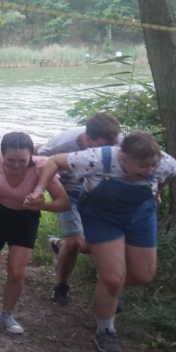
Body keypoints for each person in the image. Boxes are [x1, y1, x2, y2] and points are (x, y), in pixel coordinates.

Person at [27, 132, 176, 352]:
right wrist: (39, 190)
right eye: (142, 166)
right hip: (101, 216)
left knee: (142, 276)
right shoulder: (96, 158)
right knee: (113, 278)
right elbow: (54, 161)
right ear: (123, 157)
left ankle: (108, 282)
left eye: (153, 165)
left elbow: (168, 175)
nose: (149, 170)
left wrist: (157, 194)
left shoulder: (166, 163)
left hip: (140, 216)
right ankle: (105, 330)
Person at [0, 132, 71, 335]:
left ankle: (7, 314)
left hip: (25, 218)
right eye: (11, 160)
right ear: (2, 154)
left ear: (31, 156)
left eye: (22, 161)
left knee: (17, 271)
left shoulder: (42, 168)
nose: (16, 165)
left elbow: (64, 202)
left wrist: (41, 204)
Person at [36, 113, 122, 306]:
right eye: (102, 146)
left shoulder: (121, 143)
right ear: (88, 138)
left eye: (112, 146)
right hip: (69, 193)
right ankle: (62, 286)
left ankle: (111, 285)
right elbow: (39, 156)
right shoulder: (63, 142)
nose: (107, 152)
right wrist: (39, 188)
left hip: (99, 194)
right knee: (74, 242)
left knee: (109, 242)